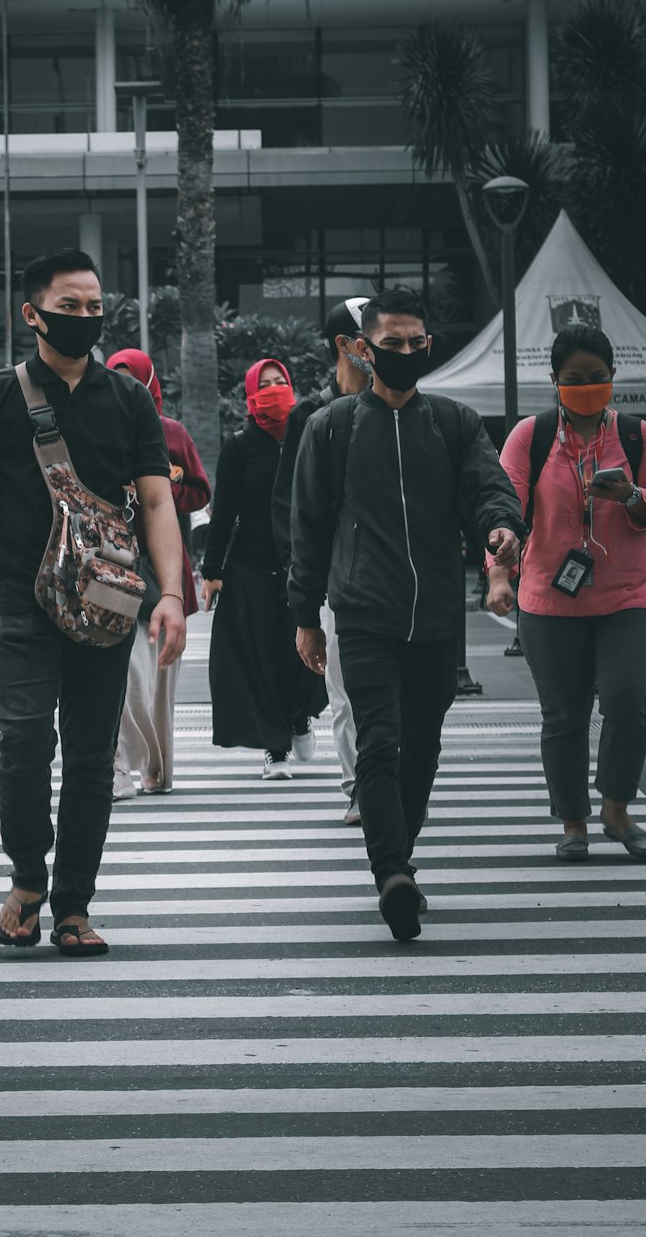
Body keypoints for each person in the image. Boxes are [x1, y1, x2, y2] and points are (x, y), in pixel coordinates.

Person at [0, 249, 186, 957]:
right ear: (32, 313)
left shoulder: (128, 399)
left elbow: (159, 503)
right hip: (17, 598)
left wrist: (169, 595)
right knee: (22, 741)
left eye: (92, 306)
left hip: (108, 602)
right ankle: (27, 880)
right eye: (68, 306)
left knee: (90, 755)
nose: (83, 318)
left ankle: (73, 905)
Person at [289, 290, 524, 941]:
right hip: (363, 613)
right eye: (391, 344)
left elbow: (488, 490)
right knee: (380, 743)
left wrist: (502, 527)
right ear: (365, 350)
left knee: (422, 749)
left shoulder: (452, 422)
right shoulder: (331, 426)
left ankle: (400, 855)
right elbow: (306, 527)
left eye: (415, 344)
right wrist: (305, 614)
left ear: (428, 348)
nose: (404, 354)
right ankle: (391, 870)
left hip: (438, 619)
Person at [487, 324, 646, 863]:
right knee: (565, 715)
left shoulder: (636, 436)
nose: (586, 386)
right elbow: (502, 511)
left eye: (597, 378)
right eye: (574, 379)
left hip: (629, 596)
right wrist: (499, 571)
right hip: (549, 602)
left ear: (612, 377)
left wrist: (631, 496)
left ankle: (617, 808)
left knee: (628, 699)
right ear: (554, 379)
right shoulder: (530, 435)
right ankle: (573, 822)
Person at [272, 296, 371, 823]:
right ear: (345, 344)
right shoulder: (311, 415)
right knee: (345, 692)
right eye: (373, 334)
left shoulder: (403, 407)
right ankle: (360, 784)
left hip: (396, 578)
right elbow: (290, 505)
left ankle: (393, 777)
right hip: (336, 580)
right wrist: (303, 591)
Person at [202, 358, 324, 780]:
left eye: (281, 382)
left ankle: (298, 717)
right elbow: (224, 512)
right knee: (262, 658)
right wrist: (211, 571)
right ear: (251, 394)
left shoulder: (309, 434)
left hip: (300, 567)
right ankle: (275, 748)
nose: (274, 390)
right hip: (250, 567)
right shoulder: (240, 446)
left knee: (304, 652)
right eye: (265, 384)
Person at [106, 348, 210, 799]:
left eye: (134, 380)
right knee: (125, 678)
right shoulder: (95, 430)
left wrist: (160, 489)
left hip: (165, 575)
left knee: (161, 684)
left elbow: (199, 491)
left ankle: (157, 769)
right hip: (109, 570)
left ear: (151, 385)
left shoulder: (171, 432)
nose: (126, 389)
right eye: (116, 379)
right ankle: (120, 765)